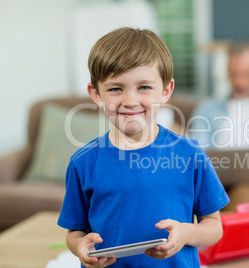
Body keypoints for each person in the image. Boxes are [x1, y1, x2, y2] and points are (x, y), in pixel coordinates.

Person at [57, 27, 229, 268]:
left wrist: (186, 233)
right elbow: (74, 233)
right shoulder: (83, 162)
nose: (130, 101)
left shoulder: (189, 154)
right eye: (116, 88)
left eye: (144, 87)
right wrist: (80, 248)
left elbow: (214, 226)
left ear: (166, 91)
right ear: (95, 94)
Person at [189, 42, 249, 212]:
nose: (239, 81)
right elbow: (198, 151)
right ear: (226, 71)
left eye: (246, 74)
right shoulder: (207, 108)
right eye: (233, 74)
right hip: (215, 180)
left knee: (241, 197)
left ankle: (215, 231)